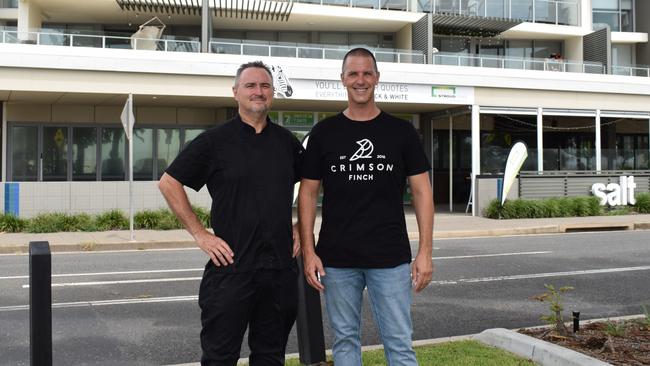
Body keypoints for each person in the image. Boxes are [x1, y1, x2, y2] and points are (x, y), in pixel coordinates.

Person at [159, 61, 303, 366]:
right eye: (250, 85)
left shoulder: (286, 142)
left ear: (272, 93)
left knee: (271, 357)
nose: (258, 91)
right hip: (231, 270)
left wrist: (302, 225)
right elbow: (169, 182)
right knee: (219, 358)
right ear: (235, 92)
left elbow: (312, 183)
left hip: (279, 270)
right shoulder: (215, 141)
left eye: (264, 85)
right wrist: (201, 235)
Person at [298, 48, 434, 366]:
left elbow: (422, 191)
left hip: (390, 259)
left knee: (399, 344)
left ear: (377, 78)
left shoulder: (401, 132)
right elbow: (307, 194)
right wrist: (309, 250)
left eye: (367, 73)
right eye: (353, 74)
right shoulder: (324, 133)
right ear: (343, 79)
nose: (361, 80)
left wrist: (425, 251)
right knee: (345, 342)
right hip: (337, 261)